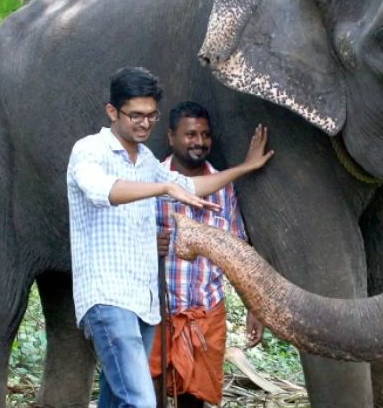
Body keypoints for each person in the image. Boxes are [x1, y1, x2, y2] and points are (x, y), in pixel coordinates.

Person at [66, 67, 274, 408]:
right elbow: (102, 190)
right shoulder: (90, 151)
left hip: (145, 302)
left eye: (150, 116)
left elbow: (189, 186)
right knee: (142, 401)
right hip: (108, 297)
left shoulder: (146, 160)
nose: (144, 123)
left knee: (117, 398)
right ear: (112, 112)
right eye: (135, 115)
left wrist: (244, 168)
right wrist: (166, 185)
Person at [149, 102, 265, 408]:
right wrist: (149, 244)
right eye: (190, 134)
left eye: (204, 134)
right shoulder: (150, 181)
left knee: (195, 400)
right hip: (157, 309)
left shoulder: (223, 188)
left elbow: (236, 249)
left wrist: (255, 307)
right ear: (171, 136)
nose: (199, 142)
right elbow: (124, 237)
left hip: (206, 311)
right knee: (151, 393)